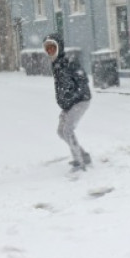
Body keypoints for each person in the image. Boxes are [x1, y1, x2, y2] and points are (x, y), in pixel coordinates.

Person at [43, 33, 91, 172]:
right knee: (61, 132)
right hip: (69, 104)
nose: (50, 51)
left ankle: (79, 162)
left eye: (53, 48)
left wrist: (73, 95)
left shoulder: (69, 63)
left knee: (67, 130)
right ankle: (83, 155)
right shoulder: (56, 64)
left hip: (80, 101)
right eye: (48, 49)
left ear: (59, 47)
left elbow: (83, 81)